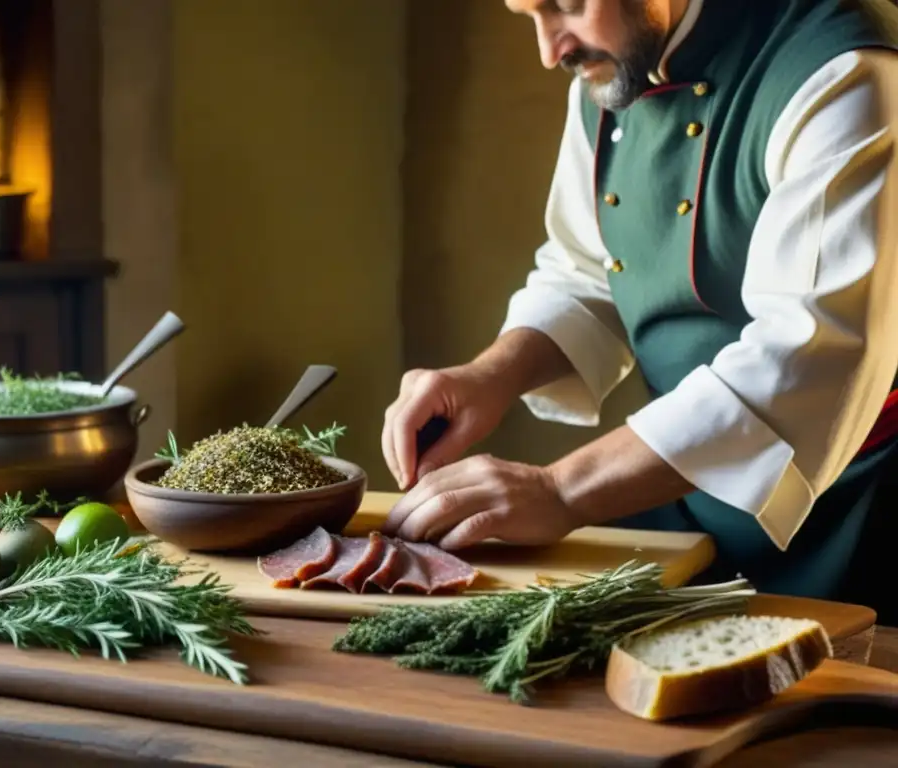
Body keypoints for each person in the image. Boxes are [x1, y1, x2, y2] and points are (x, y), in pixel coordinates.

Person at [380, 0, 898, 624]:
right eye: (528, 14)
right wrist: (492, 374)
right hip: (675, 492)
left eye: (565, 6)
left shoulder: (845, 74)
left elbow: (806, 358)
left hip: (859, 510)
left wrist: (560, 489)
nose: (550, 50)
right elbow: (587, 270)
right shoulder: (609, 69)